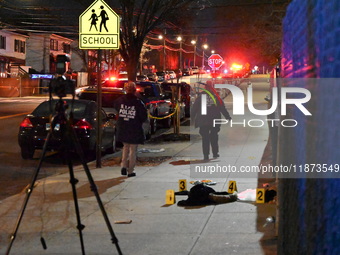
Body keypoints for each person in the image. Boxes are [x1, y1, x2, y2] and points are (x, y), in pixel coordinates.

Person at [191, 81, 231, 160]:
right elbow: (222, 108)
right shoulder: (216, 96)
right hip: (214, 119)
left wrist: (193, 118)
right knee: (214, 136)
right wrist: (227, 116)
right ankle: (215, 153)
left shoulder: (200, 96)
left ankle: (206, 155)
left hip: (203, 120)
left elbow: (194, 108)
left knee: (205, 138)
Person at [114, 82, 147, 177]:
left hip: (123, 127)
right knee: (133, 150)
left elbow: (117, 108)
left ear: (125, 89)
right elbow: (143, 116)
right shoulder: (138, 102)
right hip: (134, 128)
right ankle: (130, 171)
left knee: (125, 147)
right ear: (134, 90)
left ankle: (123, 166)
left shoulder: (119, 101)